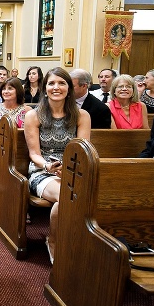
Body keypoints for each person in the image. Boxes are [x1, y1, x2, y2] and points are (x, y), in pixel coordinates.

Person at [24, 67, 91, 263]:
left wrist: (70, 169)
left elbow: (82, 149)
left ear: (69, 89)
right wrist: (47, 166)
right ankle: (54, 241)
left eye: (61, 83)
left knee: (84, 195)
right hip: (42, 170)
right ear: (45, 89)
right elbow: (34, 154)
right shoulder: (34, 116)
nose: (56, 87)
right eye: (51, 83)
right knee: (67, 196)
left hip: (74, 169)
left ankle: (72, 240)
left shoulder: (82, 115)